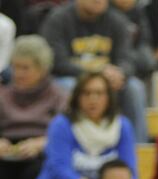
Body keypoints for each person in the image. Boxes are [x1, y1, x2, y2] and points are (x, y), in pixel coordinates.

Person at [40, 0, 148, 141]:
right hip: (73, 78)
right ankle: (70, 142)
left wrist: (120, 73)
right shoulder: (58, 19)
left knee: (135, 88)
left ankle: (137, 149)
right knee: (67, 86)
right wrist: (96, 73)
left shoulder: (118, 20)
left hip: (108, 81)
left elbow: (127, 59)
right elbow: (57, 61)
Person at [0, 35, 68, 179]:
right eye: (15, 67)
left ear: (42, 69)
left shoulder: (58, 95)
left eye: (25, 68)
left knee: (35, 175)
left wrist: (43, 143)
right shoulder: (2, 94)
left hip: (41, 150)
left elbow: (67, 131)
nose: (19, 73)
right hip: (6, 151)